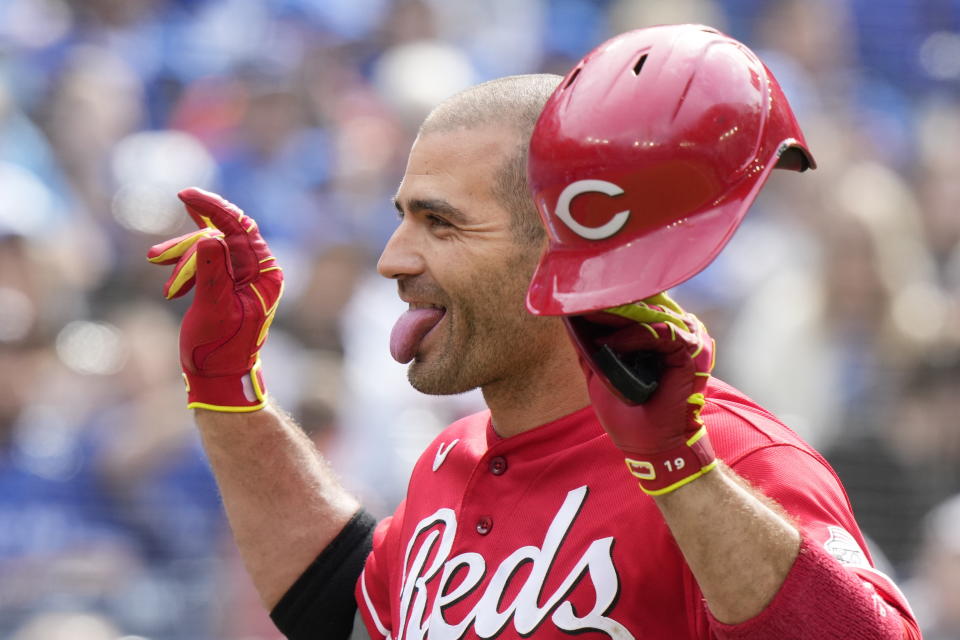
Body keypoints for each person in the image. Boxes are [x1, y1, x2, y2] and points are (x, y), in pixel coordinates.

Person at [147, 25, 921, 640]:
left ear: (562, 249)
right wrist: (228, 393)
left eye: (440, 224)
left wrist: (682, 471)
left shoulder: (732, 457)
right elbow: (341, 609)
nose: (393, 259)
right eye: (402, 218)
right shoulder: (451, 460)